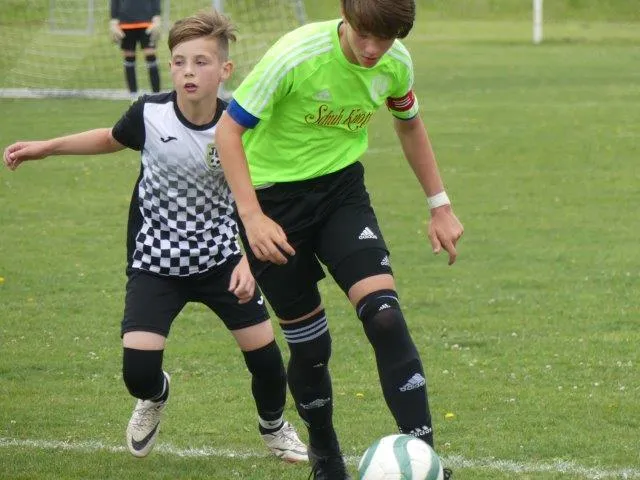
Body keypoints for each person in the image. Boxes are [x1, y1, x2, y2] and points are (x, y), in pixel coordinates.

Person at [3, 9, 307, 464]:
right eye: (180, 62)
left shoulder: (239, 128)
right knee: (138, 374)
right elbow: (109, 138)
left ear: (225, 69)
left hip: (223, 260)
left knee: (266, 362)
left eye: (201, 62)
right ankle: (156, 395)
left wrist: (249, 261)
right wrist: (46, 148)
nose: (188, 72)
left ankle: (274, 428)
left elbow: (263, 202)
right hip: (155, 264)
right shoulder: (150, 113)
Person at [214, 0, 463, 478]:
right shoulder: (296, 55)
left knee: (385, 318)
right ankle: (325, 456)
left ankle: (424, 461)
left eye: (385, 38)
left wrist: (440, 205)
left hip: (340, 193)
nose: (372, 48)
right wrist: (252, 217)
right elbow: (228, 132)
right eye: (364, 34)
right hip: (271, 203)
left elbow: (409, 124)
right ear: (346, 17)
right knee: (311, 348)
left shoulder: (395, 64)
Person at [110, 0, 162, 100]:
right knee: (129, 57)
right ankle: (133, 96)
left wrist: (157, 17)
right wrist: (113, 21)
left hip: (147, 22)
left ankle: (157, 95)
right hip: (125, 23)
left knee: (150, 55)